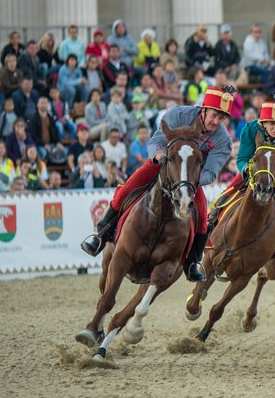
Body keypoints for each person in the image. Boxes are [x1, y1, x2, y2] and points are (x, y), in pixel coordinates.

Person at [80, 87, 234, 282]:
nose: (216, 122)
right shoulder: (178, 114)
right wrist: (160, 155)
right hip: (162, 165)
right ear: (203, 109)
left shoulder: (223, 139)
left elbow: (211, 172)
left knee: (203, 216)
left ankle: (194, 262)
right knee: (127, 188)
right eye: (214, 116)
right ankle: (100, 236)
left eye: (221, 118)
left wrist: (187, 180)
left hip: (189, 182)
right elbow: (157, 139)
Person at [208, 100, 275, 267]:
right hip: (255, 171)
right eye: (272, 124)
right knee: (226, 194)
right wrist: (245, 170)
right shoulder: (250, 130)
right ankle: (210, 225)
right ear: (263, 123)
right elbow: (243, 157)